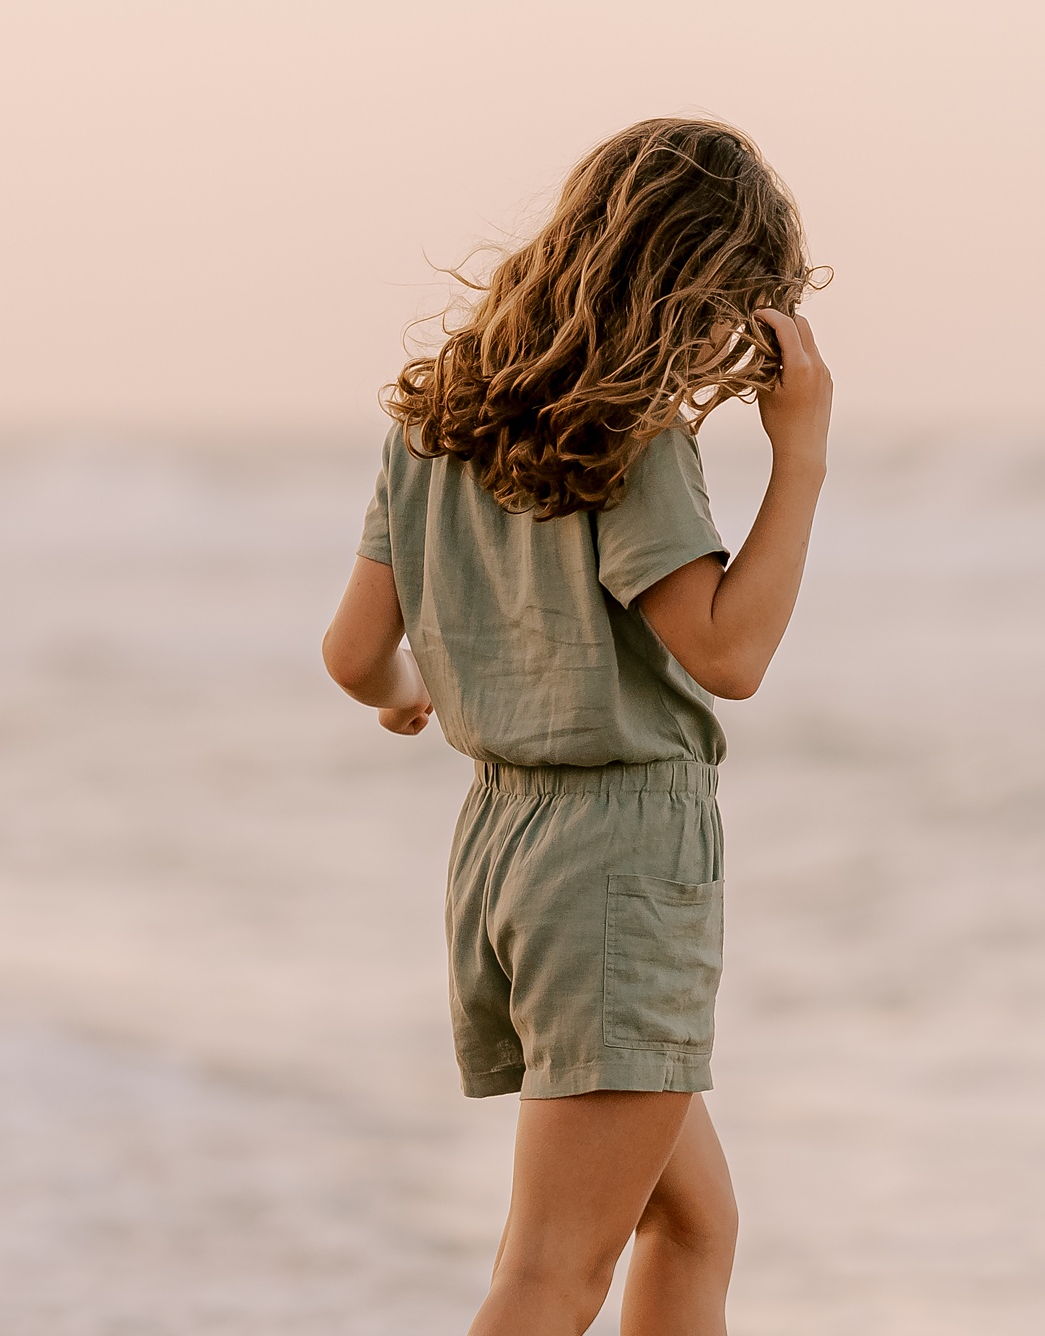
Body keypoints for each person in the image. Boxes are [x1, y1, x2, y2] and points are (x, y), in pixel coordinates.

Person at [321, 117, 831, 1336]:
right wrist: (798, 455)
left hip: (503, 852)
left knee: (695, 1221)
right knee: (552, 1270)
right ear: (696, 290)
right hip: (618, 857)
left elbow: (351, 655)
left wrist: (424, 684)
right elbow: (728, 653)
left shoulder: (437, 418)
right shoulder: (628, 433)